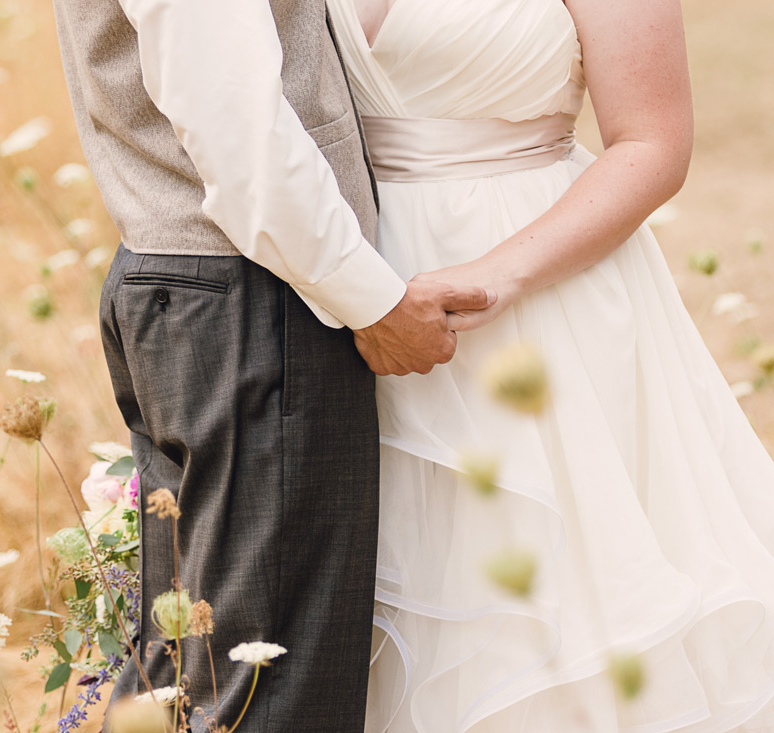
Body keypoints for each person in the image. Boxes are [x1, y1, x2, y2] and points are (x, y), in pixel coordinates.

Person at [325, 0, 774, 730]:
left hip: (542, 302)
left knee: (566, 608)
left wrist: (498, 276)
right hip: (340, 296)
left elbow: (653, 140)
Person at [51, 0, 493, 731]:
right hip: (253, 290)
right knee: (271, 690)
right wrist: (374, 303)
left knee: (187, 680)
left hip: (192, 278)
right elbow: (237, 129)